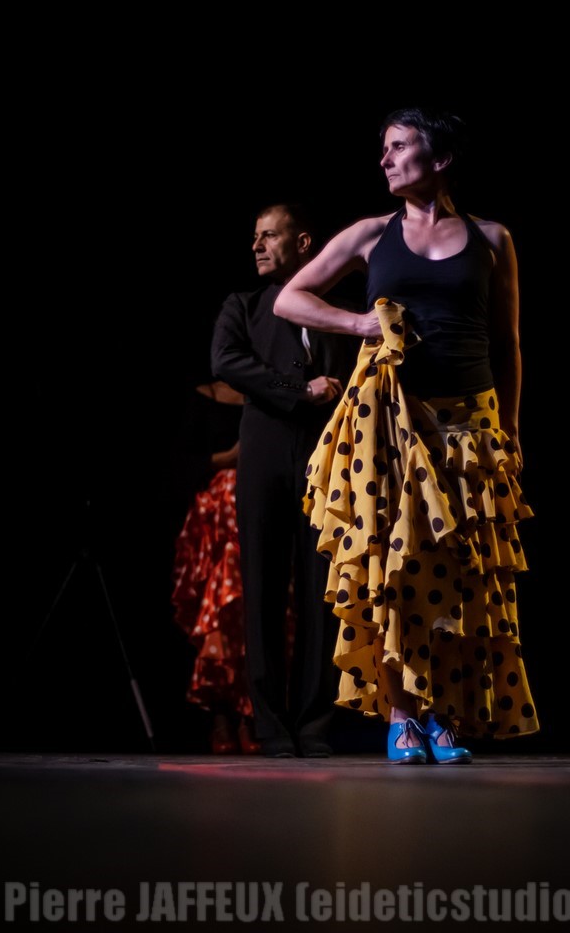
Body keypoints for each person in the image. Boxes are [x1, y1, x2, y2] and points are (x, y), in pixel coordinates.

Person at [274, 107, 539, 764]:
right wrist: (359, 324)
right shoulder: (371, 234)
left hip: (468, 424)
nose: (385, 159)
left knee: (458, 573)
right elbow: (290, 298)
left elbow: (507, 343)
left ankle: (443, 714)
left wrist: (509, 428)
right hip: (392, 423)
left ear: (439, 158)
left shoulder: (492, 237)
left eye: (398, 147)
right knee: (397, 569)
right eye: (383, 149)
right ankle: (401, 715)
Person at [210, 203, 358, 758]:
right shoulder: (243, 305)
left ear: (303, 243)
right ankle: (271, 725)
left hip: (327, 458)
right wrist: (299, 390)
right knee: (263, 587)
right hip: (266, 455)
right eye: (255, 237)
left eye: (269, 235)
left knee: (323, 589)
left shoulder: (339, 311)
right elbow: (225, 361)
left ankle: (315, 724)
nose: (256, 245)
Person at [170, 378, 261, 754]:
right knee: (221, 612)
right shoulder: (202, 399)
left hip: (255, 510)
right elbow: (179, 464)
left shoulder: (260, 396)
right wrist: (229, 458)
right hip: (218, 523)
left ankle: (251, 715)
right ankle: (222, 716)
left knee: (257, 614)